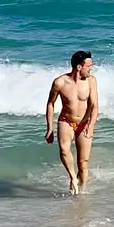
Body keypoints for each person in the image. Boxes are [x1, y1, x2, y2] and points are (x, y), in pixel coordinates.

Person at [45, 50, 99, 196]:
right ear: (79, 67)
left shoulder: (91, 81)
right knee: (64, 150)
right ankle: (72, 178)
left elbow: (94, 106)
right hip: (66, 121)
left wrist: (91, 126)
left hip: (85, 123)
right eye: (89, 66)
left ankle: (81, 191)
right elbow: (50, 104)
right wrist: (49, 128)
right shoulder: (60, 82)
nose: (91, 69)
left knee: (83, 163)